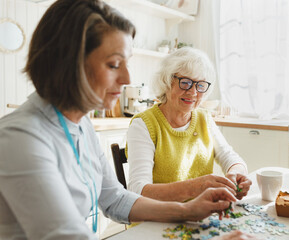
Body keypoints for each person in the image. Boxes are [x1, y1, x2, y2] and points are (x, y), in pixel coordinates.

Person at [0, 0, 258, 239]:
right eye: (114, 64)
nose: (126, 79)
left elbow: (115, 199)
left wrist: (189, 212)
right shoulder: (20, 140)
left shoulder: (81, 125)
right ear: (69, 63)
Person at [126, 47, 252, 202]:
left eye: (200, 85)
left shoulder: (203, 118)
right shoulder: (144, 124)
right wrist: (196, 187)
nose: (193, 92)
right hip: (158, 219)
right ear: (166, 82)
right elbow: (138, 190)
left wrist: (237, 174)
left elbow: (229, 157)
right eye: (185, 83)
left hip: (200, 215)